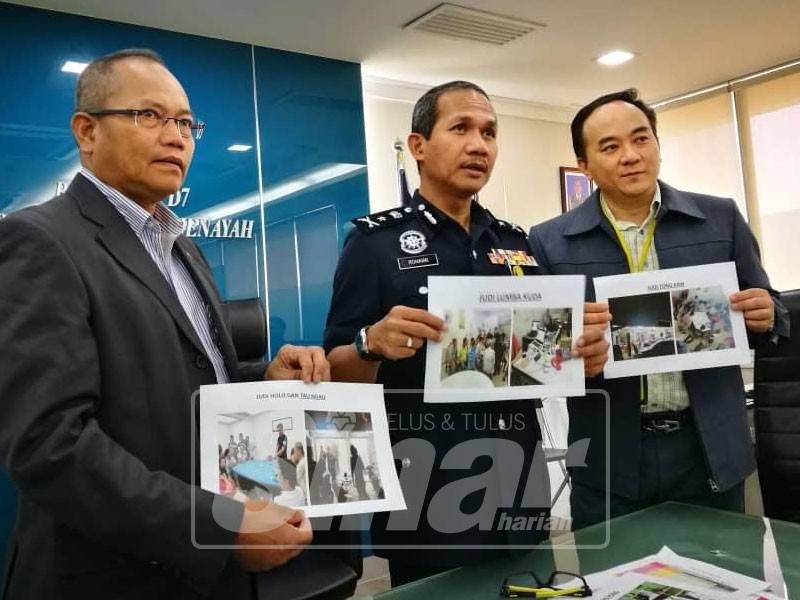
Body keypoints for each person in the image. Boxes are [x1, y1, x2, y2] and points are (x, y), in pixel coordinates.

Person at [0, 48, 332, 599]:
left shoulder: (182, 248)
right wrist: (217, 527)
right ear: (87, 131)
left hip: (208, 576)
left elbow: (183, 382)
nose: (176, 136)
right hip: (112, 578)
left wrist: (261, 378)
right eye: (149, 116)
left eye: (185, 122)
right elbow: (49, 444)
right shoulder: (39, 240)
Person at [324, 80, 610, 586]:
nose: (479, 144)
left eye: (490, 132)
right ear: (418, 145)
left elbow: (546, 360)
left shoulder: (517, 245)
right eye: (461, 128)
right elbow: (335, 379)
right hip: (429, 486)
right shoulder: (374, 244)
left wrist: (583, 354)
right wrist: (371, 344)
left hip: (519, 479)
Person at [528, 88, 790, 529]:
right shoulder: (549, 241)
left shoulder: (719, 217)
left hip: (708, 448)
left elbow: (772, 310)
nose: (630, 155)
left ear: (657, 145)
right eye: (610, 147)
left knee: (723, 581)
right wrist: (573, 353)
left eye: (641, 139)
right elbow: (544, 353)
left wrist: (768, 314)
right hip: (610, 458)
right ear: (584, 166)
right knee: (614, 586)